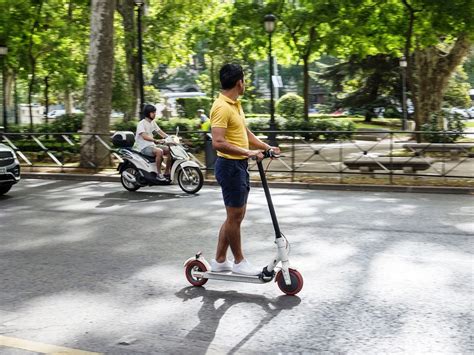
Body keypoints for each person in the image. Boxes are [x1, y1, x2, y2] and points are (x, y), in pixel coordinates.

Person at [210, 63, 280, 276]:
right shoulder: (221, 107)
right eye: (245, 80)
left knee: (234, 216)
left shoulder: (234, 105)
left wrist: (266, 147)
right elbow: (218, 142)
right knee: (235, 216)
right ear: (239, 82)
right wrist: (248, 153)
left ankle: (220, 260)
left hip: (237, 165)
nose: (245, 84)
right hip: (229, 166)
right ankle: (239, 261)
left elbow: (245, 133)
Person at [135, 104, 171, 181]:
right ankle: (159, 174)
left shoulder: (153, 122)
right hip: (143, 147)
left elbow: (159, 131)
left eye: (155, 112)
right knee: (159, 151)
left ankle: (167, 172)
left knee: (169, 150)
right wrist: (155, 140)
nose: (154, 114)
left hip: (151, 145)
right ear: (148, 113)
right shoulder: (141, 123)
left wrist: (170, 138)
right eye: (153, 112)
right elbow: (144, 136)